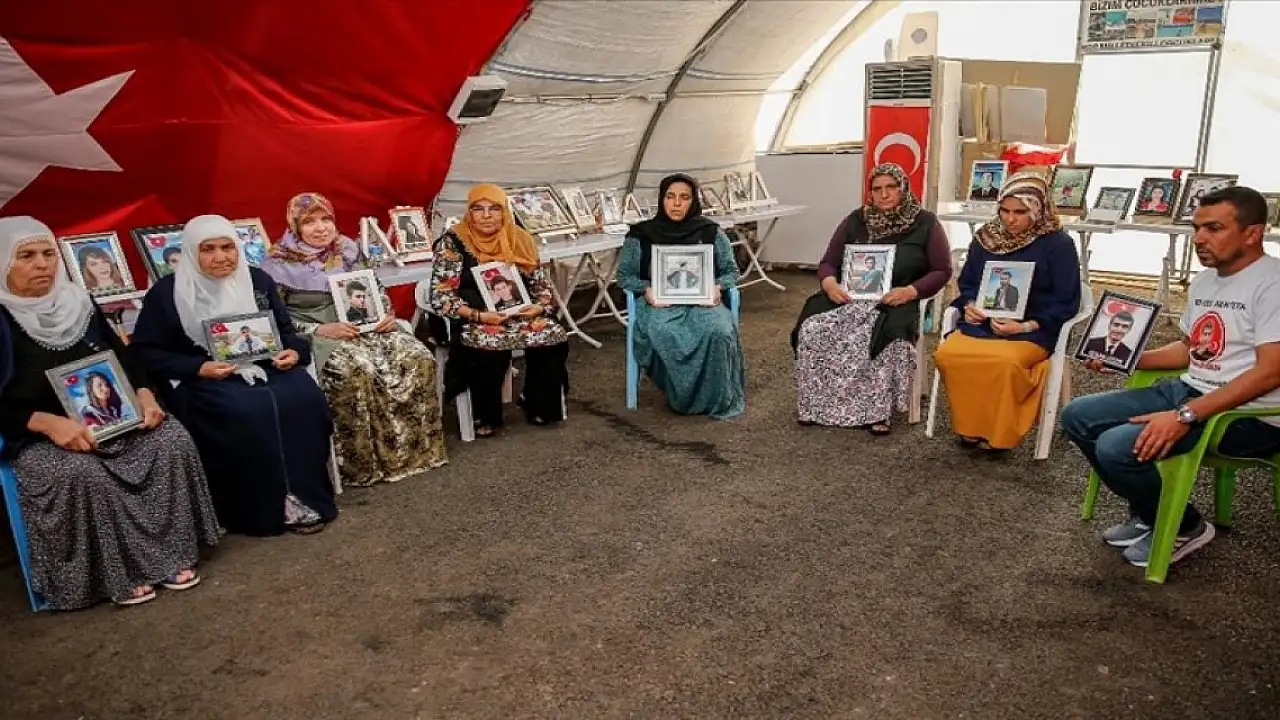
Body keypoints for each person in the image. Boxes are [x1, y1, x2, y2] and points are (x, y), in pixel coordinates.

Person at [0, 216, 218, 608]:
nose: (42, 264)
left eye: (48, 253)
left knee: (171, 440)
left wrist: (144, 394)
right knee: (82, 473)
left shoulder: (79, 303)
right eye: (26, 256)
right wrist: (45, 423)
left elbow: (125, 358)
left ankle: (169, 555)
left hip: (113, 418)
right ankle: (114, 575)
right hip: (40, 435)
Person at [1061, 186, 1280, 568]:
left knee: (1115, 447)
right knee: (1077, 415)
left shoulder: (1272, 283)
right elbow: (1187, 350)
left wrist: (1186, 415)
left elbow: (1270, 372)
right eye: (1197, 228)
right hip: (1191, 390)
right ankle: (1152, 513)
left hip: (1249, 415)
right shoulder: (1206, 280)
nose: (1199, 238)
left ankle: (1184, 525)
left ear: (1252, 233)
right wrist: (1126, 359)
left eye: (1214, 228)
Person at [131, 214, 337, 535]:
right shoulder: (167, 293)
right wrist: (198, 367)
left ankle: (304, 495)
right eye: (208, 249)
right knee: (246, 411)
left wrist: (294, 352)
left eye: (227, 247)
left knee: (304, 397)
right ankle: (260, 508)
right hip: (203, 377)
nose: (221, 257)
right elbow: (146, 351)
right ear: (191, 252)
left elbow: (286, 331)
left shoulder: (257, 281)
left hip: (267, 367)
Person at [261, 192, 447, 484]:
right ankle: (363, 464)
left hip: (367, 326)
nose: (321, 228)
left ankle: (417, 453)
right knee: (356, 369)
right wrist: (319, 330)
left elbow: (375, 287)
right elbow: (275, 318)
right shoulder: (276, 263)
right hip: (321, 334)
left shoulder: (347, 249)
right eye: (309, 222)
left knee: (417, 356)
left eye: (326, 219)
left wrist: (385, 313)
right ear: (295, 225)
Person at [792, 163, 952, 434]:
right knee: (812, 328)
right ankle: (817, 404)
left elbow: (942, 270)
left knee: (885, 337)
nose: (884, 194)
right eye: (877, 189)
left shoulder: (925, 223)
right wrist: (829, 283)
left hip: (896, 299)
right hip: (850, 296)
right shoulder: (856, 220)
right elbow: (829, 262)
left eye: (891, 187)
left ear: (903, 188)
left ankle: (876, 410)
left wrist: (911, 291)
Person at [933, 173, 1082, 452]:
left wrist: (1025, 326)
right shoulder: (986, 238)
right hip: (984, 323)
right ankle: (971, 425)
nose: (1010, 219)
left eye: (1020, 212)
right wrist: (969, 305)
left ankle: (998, 434)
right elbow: (968, 283)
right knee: (949, 355)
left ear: (1038, 209)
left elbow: (1066, 300)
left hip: (1034, 329)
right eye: (1004, 210)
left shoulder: (1058, 244)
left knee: (1005, 362)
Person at [428, 184, 570, 436]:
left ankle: (537, 401)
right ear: (469, 212)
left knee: (552, 335)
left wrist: (538, 306)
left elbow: (542, 285)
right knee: (487, 342)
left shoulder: (519, 238)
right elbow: (441, 295)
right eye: (478, 209)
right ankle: (485, 413)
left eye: (494, 208)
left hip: (519, 312)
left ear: (504, 211)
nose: (486, 215)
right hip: (475, 314)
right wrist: (478, 315)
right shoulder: (453, 242)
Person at [616, 173, 745, 419]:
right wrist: (647, 289)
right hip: (660, 304)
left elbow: (731, 270)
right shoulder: (641, 235)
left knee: (718, 331)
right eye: (670, 196)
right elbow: (624, 276)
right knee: (664, 332)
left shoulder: (710, 232)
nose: (676, 203)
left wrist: (718, 287)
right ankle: (681, 394)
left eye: (684, 197)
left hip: (703, 303)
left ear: (693, 201)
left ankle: (714, 397)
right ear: (661, 199)